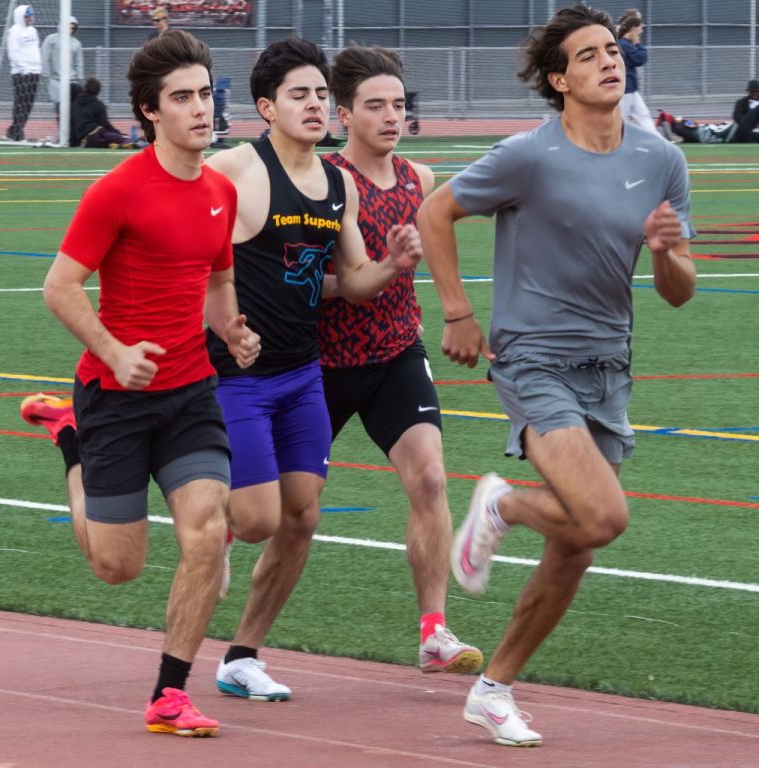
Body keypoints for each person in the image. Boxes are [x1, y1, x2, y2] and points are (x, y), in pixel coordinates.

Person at [417, 4, 695, 747]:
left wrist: (665, 251)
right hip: (534, 358)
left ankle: (493, 689)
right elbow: (435, 212)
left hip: (610, 366)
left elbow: (679, 290)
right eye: (590, 54)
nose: (609, 61)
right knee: (603, 516)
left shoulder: (661, 160)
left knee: (576, 547)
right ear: (559, 79)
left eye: (613, 50)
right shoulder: (527, 156)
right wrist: (457, 312)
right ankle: (503, 504)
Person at [19, 30, 260, 737]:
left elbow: (217, 279)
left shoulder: (220, 192)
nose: (200, 108)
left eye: (205, 94)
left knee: (207, 533)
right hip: (116, 397)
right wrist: (114, 351)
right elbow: (60, 287)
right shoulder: (117, 191)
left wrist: (232, 331)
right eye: (182, 98)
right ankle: (71, 440)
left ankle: (169, 694)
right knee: (116, 566)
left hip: (191, 394)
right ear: (151, 112)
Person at [204, 37, 422, 701]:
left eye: (322, 94)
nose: (315, 105)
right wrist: (224, 323)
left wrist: (394, 264)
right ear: (267, 107)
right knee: (259, 520)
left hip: (303, 375)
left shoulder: (336, 183)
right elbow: (188, 252)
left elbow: (352, 281)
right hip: (237, 375)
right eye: (299, 94)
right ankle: (207, 514)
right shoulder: (234, 168)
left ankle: (242, 657)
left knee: (301, 517)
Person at [320, 44, 482, 674]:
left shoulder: (420, 178)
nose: (392, 116)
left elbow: (429, 256)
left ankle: (434, 631)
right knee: (278, 509)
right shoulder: (324, 181)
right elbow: (304, 283)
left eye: (398, 104)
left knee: (431, 479)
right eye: (376, 105)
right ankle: (222, 538)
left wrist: (456, 313)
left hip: (395, 353)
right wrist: (369, 274)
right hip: (322, 362)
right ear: (344, 115)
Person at [5, 5, 41, 142]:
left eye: (30, 16)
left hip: (34, 72)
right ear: (21, 17)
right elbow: (13, 53)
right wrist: (24, 69)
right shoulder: (14, 31)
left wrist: (37, 67)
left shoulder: (33, 31)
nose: (30, 18)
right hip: (21, 73)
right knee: (21, 103)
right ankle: (17, 133)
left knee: (29, 104)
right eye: (27, 16)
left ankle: (14, 131)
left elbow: (35, 49)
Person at [71, 77, 139, 148]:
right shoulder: (98, 104)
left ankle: (113, 145)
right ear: (98, 91)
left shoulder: (75, 103)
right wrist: (117, 132)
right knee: (125, 139)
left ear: (85, 87)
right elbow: (105, 124)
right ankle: (122, 144)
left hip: (84, 141)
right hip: (97, 134)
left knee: (107, 142)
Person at [618, 14, 658, 135]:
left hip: (631, 89)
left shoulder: (625, 44)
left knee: (643, 115)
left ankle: (656, 141)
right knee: (620, 120)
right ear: (633, 29)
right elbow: (640, 59)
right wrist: (638, 44)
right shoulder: (624, 44)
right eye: (640, 28)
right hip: (625, 90)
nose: (641, 30)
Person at [41, 15, 83, 121]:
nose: (71, 29)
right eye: (69, 26)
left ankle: (72, 130)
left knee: (75, 110)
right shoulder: (51, 40)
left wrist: (80, 80)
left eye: (73, 27)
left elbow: (79, 63)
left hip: (72, 82)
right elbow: (45, 59)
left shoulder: (77, 43)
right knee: (61, 110)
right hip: (56, 81)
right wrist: (47, 78)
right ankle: (62, 130)